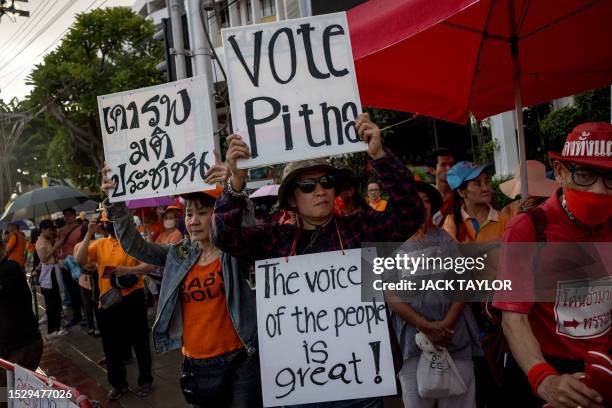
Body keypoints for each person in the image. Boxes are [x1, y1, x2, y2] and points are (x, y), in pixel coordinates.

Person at [213, 112, 425, 408]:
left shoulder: (360, 228)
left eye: (325, 182)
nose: (320, 190)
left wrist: (379, 155)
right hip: (301, 385)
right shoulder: (276, 239)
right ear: (290, 199)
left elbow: (410, 215)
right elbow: (225, 236)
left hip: (361, 382)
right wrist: (235, 184)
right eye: (308, 186)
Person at [99, 156, 262, 408]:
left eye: (202, 212)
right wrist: (115, 203)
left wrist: (235, 184)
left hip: (239, 362)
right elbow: (134, 246)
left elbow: (248, 228)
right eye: (189, 213)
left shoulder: (234, 252)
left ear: (219, 214)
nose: (193, 220)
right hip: (195, 364)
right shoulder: (178, 254)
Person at [493, 123, 612, 408]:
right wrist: (543, 380)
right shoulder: (527, 229)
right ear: (559, 171)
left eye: (610, 179)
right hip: (545, 367)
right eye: (584, 175)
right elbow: (514, 319)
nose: (598, 190)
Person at [386, 181, 482, 408]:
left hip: (453, 339)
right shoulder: (389, 244)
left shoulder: (447, 240)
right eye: (411, 202)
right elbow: (391, 296)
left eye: (426, 201)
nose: (420, 206)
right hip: (411, 346)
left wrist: (445, 325)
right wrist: (424, 325)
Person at [76, 215, 154, 401]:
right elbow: (80, 260)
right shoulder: (100, 244)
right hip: (109, 301)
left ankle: (146, 380)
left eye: (115, 221)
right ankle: (118, 384)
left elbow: (149, 265)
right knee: (111, 346)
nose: (112, 225)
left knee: (140, 341)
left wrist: (128, 270)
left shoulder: (134, 242)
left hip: (132, 298)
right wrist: (89, 233)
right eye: (108, 222)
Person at [0, 239, 43, 392]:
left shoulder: (9, 268)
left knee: (12, 394)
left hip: (22, 346)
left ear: (3, 248)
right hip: (9, 347)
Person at [442, 161, 509, 243]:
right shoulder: (451, 222)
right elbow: (452, 253)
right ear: (461, 192)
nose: (486, 188)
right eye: (478, 184)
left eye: (487, 182)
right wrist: (492, 246)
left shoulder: (504, 220)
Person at [35, 219, 67, 338]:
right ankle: (54, 329)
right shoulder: (41, 242)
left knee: (55, 299)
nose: (51, 232)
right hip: (49, 273)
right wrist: (55, 247)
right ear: (43, 230)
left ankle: (57, 326)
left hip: (53, 270)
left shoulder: (46, 240)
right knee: (52, 300)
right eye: (49, 230)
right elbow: (43, 259)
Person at [57, 208, 84, 327]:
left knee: (81, 290)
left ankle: (87, 315)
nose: (67, 217)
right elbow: (59, 247)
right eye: (65, 215)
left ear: (74, 216)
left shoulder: (81, 228)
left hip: (78, 264)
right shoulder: (61, 231)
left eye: (69, 215)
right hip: (66, 264)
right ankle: (77, 315)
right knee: (71, 291)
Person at [427, 148, 456, 225]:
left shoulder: (462, 194)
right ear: (432, 170)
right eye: (443, 165)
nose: (449, 168)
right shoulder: (426, 198)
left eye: (451, 164)